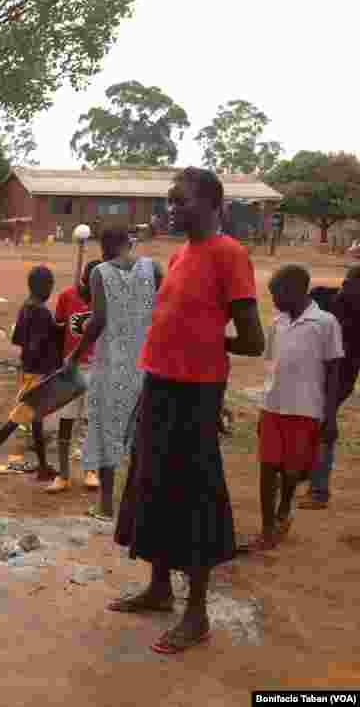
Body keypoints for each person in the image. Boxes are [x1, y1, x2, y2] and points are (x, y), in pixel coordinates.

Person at [110, 167, 265, 655]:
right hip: (159, 384)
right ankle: (159, 588)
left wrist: (206, 342)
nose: (172, 209)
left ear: (214, 203)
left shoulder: (230, 254)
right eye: (169, 201)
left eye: (181, 201)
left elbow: (254, 340)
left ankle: (196, 613)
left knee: (192, 496)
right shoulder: (179, 255)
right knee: (151, 483)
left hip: (194, 393)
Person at [66, 229, 162, 517]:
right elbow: (165, 309)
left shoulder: (100, 273)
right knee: (143, 436)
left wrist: (75, 354)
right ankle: (140, 505)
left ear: (104, 249)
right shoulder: (153, 268)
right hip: (148, 364)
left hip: (111, 366)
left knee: (107, 433)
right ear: (128, 243)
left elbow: (99, 321)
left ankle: (107, 506)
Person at [251, 265, 342, 550]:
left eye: (277, 294)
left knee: (291, 472)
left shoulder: (325, 323)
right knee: (267, 467)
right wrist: (263, 406)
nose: (274, 300)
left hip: (305, 411)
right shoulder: (277, 323)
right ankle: (267, 527)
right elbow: (271, 368)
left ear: (296, 290)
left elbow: (333, 371)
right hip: (273, 408)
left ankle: (284, 508)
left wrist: (330, 417)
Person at [0, 266, 64, 482]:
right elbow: (35, 344)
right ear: (44, 287)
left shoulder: (26, 307)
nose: (51, 289)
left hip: (30, 369)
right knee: (19, 417)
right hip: (38, 371)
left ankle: (42, 466)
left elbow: (18, 339)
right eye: (50, 285)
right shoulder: (40, 311)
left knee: (36, 418)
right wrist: (55, 333)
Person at [301, 266, 360, 509]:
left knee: (324, 427)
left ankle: (318, 490)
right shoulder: (320, 297)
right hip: (309, 373)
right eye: (350, 285)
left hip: (338, 380)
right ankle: (309, 481)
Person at [47, 259, 102, 493]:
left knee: (91, 421)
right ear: (84, 282)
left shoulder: (106, 300)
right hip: (71, 368)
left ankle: (91, 471)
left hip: (98, 368)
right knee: (66, 422)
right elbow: (58, 332)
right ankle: (63, 474)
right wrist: (58, 365)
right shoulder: (67, 297)